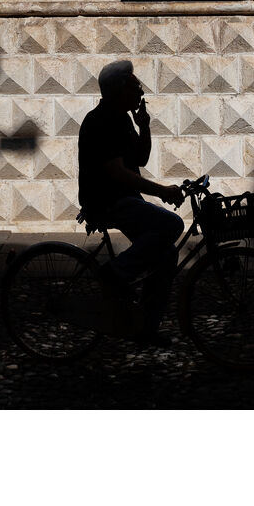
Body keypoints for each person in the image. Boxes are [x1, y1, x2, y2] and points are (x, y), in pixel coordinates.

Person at [78, 59, 185, 347]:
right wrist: (162, 191)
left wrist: (145, 127)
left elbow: (139, 160)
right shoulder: (100, 121)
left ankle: (145, 329)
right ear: (117, 91)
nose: (139, 90)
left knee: (165, 256)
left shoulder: (122, 119)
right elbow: (118, 172)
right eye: (133, 85)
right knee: (172, 223)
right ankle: (115, 273)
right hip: (107, 200)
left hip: (123, 199)